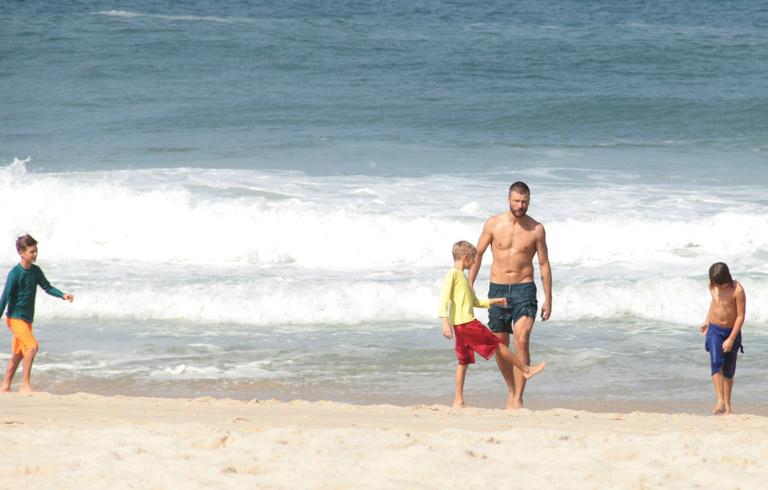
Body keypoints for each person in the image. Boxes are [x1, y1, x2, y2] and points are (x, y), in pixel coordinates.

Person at [468, 181, 551, 410]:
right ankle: (512, 389)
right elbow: (478, 255)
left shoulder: (536, 229)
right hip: (498, 289)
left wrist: (548, 298)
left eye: (524, 201)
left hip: (525, 289)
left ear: (529, 201)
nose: (520, 205)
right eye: (516, 201)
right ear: (508, 199)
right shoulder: (493, 224)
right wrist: (469, 284)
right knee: (499, 345)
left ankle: (518, 398)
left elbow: (544, 264)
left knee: (521, 339)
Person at [439, 240, 545, 409]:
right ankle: (525, 369)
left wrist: (494, 301)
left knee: (463, 361)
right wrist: (444, 322)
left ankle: (458, 400)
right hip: (466, 323)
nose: (475, 262)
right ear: (465, 257)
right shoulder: (453, 274)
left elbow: (473, 301)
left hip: (460, 326)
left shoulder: (463, 278)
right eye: (473, 259)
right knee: (498, 345)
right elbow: (443, 299)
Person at [0, 234, 73, 393]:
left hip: (26, 319)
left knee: (18, 354)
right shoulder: (15, 273)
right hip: (15, 318)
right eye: (32, 251)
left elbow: (47, 287)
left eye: (36, 251)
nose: (35, 254)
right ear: (21, 252)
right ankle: (25, 385)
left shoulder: (35, 271)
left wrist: (62, 295)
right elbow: (5, 297)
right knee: (32, 347)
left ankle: (4, 386)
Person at [699, 262, 745, 415]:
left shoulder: (737, 290)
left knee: (728, 370)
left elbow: (740, 316)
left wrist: (732, 338)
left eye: (723, 284)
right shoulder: (712, 286)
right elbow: (714, 304)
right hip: (714, 330)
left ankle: (727, 404)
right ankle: (720, 400)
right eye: (717, 284)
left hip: (732, 331)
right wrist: (707, 320)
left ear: (728, 278)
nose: (721, 287)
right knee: (715, 362)